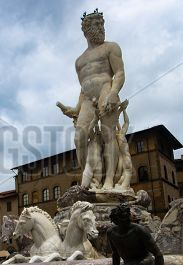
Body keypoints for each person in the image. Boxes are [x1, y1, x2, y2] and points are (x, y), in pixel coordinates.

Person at [56, 9, 125, 190]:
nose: (101, 27)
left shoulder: (111, 47)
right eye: (97, 24)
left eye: (102, 24)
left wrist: (113, 92)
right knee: (79, 137)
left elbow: (119, 73)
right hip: (87, 99)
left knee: (108, 134)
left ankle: (109, 180)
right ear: (86, 29)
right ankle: (93, 180)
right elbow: (83, 87)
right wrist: (76, 108)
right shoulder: (79, 61)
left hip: (106, 90)